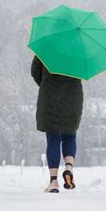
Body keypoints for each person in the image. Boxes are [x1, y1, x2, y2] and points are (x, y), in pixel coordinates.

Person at [31, 56, 83, 193]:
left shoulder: (47, 47)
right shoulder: (78, 49)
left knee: (53, 139)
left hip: (50, 97)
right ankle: (69, 168)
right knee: (70, 135)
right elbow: (84, 71)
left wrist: (47, 84)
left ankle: (53, 182)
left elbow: (35, 71)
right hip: (73, 97)